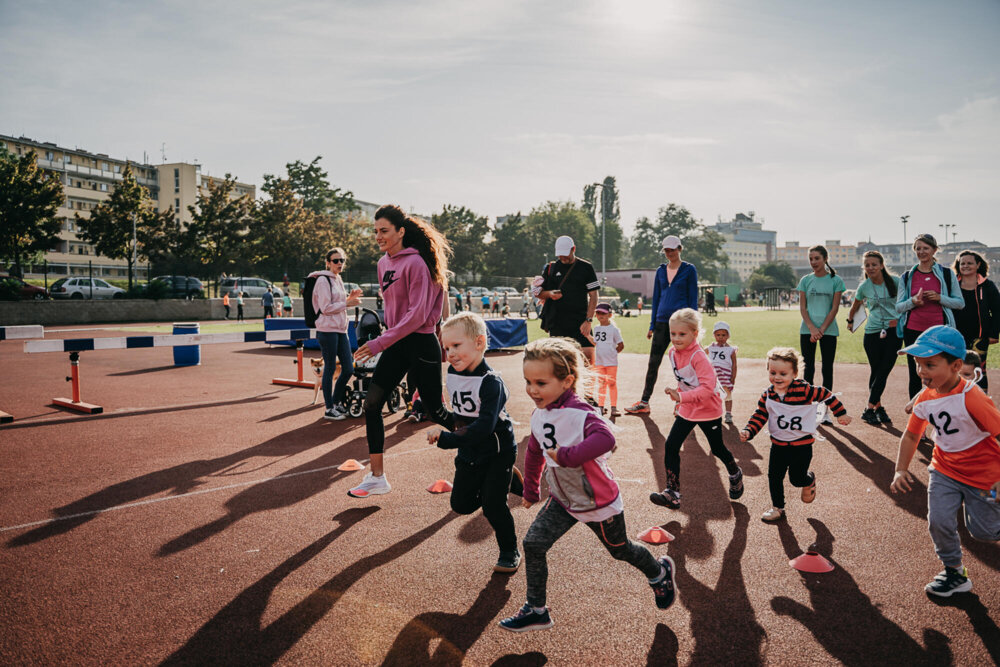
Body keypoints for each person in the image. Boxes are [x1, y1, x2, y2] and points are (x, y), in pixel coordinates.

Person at [498, 337, 676, 632]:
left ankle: (659, 573)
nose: (532, 390)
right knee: (533, 543)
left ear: (567, 381)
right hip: (563, 500)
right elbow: (533, 452)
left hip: (598, 503)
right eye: (528, 381)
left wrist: (567, 456)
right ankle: (537, 609)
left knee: (620, 550)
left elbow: (606, 439)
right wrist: (530, 490)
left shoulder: (582, 414)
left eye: (541, 383)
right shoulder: (539, 414)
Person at [349, 204, 451, 498]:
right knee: (372, 404)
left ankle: (486, 433)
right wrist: (383, 334)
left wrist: (380, 342)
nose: (378, 236)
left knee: (435, 411)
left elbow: (418, 316)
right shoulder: (383, 264)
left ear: (400, 232)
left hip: (420, 342)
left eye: (384, 231)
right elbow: (395, 310)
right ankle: (377, 477)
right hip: (396, 342)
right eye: (376, 231)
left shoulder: (417, 263)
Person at [890, 325, 1000, 597]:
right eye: (918, 364)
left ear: (956, 365)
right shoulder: (925, 398)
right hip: (944, 470)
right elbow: (911, 434)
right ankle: (954, 572)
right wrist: (900, 469)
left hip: (985, 476)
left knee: (985, 532)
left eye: (930, 364)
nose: (922, 371)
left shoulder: (972, 397)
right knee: (938, 520)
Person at [426, 312, 523, 573]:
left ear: (479, 343)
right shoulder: (453, 373)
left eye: (457, 346)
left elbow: (484, 426)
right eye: (446, 348)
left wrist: (447, 439)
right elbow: (459, 414)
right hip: (470, 450)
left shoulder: (491, 382)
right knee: (461, 504)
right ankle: (506, 479)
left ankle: (509, 550)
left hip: (496, 450)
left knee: (493, 505)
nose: (451, 353)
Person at [741, 347, 851, 523]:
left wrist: (840, 413)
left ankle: (808, 480)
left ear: (794, 374)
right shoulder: (768, 394)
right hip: (778, 445)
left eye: (783, 373)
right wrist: (749, 431)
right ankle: (778, 507)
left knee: (796, 479)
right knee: (774, 476)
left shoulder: (804, 390)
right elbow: (760, 414)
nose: (777, 377)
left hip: (802, 446)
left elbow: (825, 394)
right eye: (773, 372)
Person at [649, 308, 744, 510]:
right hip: (688, 408)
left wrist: (681, 397)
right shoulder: (673, 353)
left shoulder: (699, 356)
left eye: (682, 334)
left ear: (695, 333)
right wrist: (679, 397)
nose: (676, 338)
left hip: (708, 409)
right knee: (671, 445)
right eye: (673, 333)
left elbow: (708, 389)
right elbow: (685, 381)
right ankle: (672, 493)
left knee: (717, 449)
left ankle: (735, 472)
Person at [626, 235, 698, 414]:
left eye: (672, 250)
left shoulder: (689, 270)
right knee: (653, 362)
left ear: (679, 249)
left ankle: (684, 402)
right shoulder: (660, 271)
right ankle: (644, 402)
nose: (669, 253)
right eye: (666, 250)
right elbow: (656, 298)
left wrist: (693, 324)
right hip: (661, 321)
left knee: (684, 364)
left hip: (681, 323)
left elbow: (693, 298)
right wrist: (652, 324)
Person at [895, 233, 964, 399]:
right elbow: (898, 307)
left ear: (934, 250)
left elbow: (960, 303)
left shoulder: (947, 274)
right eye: (918, 248)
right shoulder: (906, 277)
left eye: (926, 248)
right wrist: (913, 301)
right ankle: (917, 413)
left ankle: (940, 409)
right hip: (913, 331)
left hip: (939, 332)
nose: (922, 251)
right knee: (916, 374)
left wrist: (940, 298)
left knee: (941, 373)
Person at [847, 250, 901, 425]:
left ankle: (869, 408)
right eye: (867, 265)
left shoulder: (896, 282)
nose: (870, 268)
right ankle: (878, 408)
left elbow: (906, 305)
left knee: (884, 369)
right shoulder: (864, 286)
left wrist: (898, 320)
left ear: (881, 265)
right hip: (872, 333)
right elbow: (855, 306)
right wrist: (850, 321)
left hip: (893, 332)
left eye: (874, 264)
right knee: (876, 371)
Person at [310, 248, 363, 420]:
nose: (339, 263)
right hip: (327, 330)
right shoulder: (323, 281)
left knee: (348, 368)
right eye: (335, 260)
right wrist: (347, 303)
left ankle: (336, 402)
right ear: (327, 262)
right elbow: (325, 308)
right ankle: (329, 408)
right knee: (330, 368)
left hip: (341, 329)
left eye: (342, 260)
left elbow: (338, 302)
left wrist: (349, 297)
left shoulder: (338, 279)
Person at [796, 245, 845, 424]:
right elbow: (802, 307)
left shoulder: (836, 280)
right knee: (808, 369)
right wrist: (812, 328)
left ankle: (825, 411)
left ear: (825, 259)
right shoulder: (805, 280)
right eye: (811, 259)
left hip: (829, 330)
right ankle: (808, 408)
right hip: (807, 329)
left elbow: (834, 308)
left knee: (827, 368)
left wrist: (821, 329)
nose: (813, 262)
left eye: (816, 258)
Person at [534, 235, 600, 363]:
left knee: (587, 361)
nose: (562, 258)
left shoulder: (586, 267)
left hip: (580, 322)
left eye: (565, 254)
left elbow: (594, 296)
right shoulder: (551, 268)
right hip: (557, 323)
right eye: (559, 255)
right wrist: (550, 294)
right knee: (559, 364)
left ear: (573, 249)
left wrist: (588, 320)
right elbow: (539, 293)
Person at [953, 250, 1000, 392]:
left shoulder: (987, 286)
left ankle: (981, 401)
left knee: (979, 368)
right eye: (963, 263)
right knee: (956, 368)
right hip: (956, 336)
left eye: (970, 263)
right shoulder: (953, 285)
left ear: (978, 264)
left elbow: (997, 311)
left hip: (979, 337)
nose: (966, 266)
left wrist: (994, 334)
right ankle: (957, 401)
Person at [591, 302, 624, 416]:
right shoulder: (596, 328)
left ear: (609, 315)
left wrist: (613, 354)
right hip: (599, 362)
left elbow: (621, 345)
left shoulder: (613, 329)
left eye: (603, 313)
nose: (600, 315)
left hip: (611, 362)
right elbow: (595, 343)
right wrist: (586, 336)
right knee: (601, 384)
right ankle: (600, 407)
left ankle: (614, 407)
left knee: (612, 384)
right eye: (598, 313)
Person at [706, 321, 737, 423]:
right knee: (714, 395)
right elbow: (701, 352)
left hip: (725, 376)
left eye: (723, 335)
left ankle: (728, 413)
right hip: (713, 376)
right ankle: (715, 413)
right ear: (714, 335)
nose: (720, 337)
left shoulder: (730, 350)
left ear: (728, 336)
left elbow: (734, 365)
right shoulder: (711, 347)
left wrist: (733, 377)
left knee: (727, 395)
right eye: (718, 335)